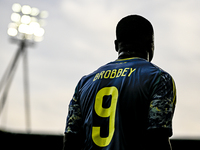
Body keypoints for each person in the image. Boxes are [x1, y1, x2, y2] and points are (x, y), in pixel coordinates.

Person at [63, 15, 176, 150]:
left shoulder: (85, 83)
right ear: (150, 45)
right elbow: (157, 138)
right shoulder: (159, 78)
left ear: (116, 45)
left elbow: (70, 140)